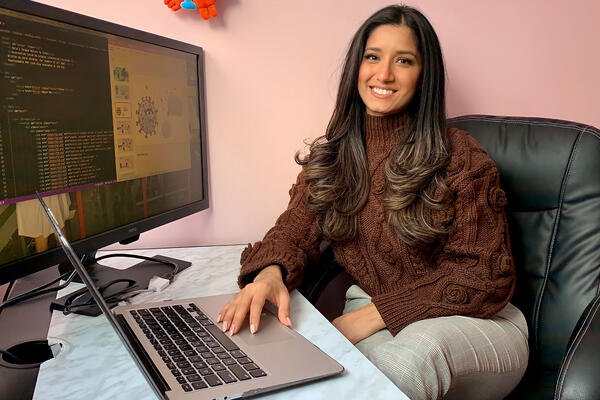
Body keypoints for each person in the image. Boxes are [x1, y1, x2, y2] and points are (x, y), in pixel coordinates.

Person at [218, 5, 529, 400]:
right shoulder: (332, 159)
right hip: (378, 319)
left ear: (423, 75)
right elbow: (291, 234)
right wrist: (268, 275)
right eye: (373, 57)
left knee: (415, 354)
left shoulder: (462, 158)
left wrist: (371, 315)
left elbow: (484, 277)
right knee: (343, 382)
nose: (383, 74)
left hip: (479, 324)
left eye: (403, 60)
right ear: (357, 67)